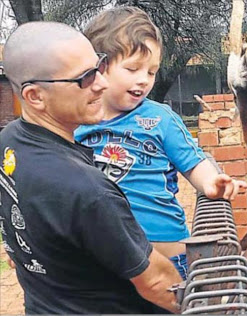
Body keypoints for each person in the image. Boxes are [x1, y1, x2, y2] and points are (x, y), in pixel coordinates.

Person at [0, 21, 183, 313]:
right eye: (84, 78)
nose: (101, 82)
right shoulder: (87, 190)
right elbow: (159, 282)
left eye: (99, 66)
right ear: (35, 96)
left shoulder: (8, 142)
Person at [75, 6, 247, 282]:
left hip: (167, 256)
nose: (144, 79)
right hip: (104, 264)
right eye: (132, 69)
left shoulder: (159, 119)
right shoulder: (76, 124)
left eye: (152, 71)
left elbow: (194, 162)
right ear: (98, 68)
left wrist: (211, 183)